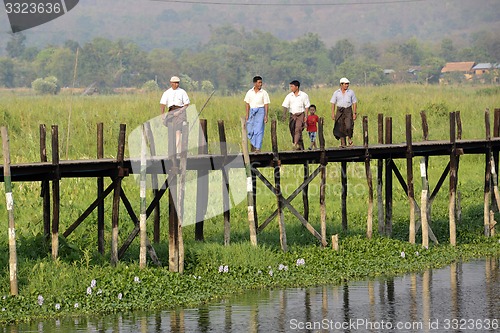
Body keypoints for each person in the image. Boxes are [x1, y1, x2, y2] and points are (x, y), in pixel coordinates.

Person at [160, 76, 190, 153]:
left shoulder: (182, 92)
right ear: (171, 83)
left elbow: (186, 104)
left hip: (180, 111)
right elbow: (163, 104)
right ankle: (177, 150)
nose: (176, 84)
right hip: (171, 111)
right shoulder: (167, 92)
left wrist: (179, 112)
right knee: (172, 130)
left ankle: (175, 150)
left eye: (177, 83)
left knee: (178, 130)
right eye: (175, 83)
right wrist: (162, 115)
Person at [282, 80, 310, 150]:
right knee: (292, 130)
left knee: (298, 129)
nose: (291, 88)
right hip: (292, 116)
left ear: (297, 87)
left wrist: (306, 116)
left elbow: (307, 106)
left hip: (300, 115)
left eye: (292, 86)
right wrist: (284, 115)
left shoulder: (304, 95)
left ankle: (294, 144)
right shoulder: (289, 96)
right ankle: (300, 146)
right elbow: (285, 106)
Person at [244, 75, 270, 153]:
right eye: (259, 82)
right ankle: (253, 143)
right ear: (255, 83)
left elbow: (266, 104)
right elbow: (247, 104)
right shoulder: (249, 92)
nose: (260, 84)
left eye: (261, 82)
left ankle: (258, 147)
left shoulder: (264, 93)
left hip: (260, 111)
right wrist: (247, 114)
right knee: (250, 129)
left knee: (259, 130)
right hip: (252, 111)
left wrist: (266, 115)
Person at [331, 77, 357, 147]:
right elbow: (333, 103)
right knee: (340, 126)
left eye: (347, 84)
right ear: (341, 84)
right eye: (345, 84)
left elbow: (354, 102)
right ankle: (343, 143)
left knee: (348, 125)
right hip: (340, 110)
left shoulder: (351, 92)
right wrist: (333, 113)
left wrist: (354, 113)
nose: (347, 85)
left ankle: (349, 138)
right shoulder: (336, 93)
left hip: (348, 110)